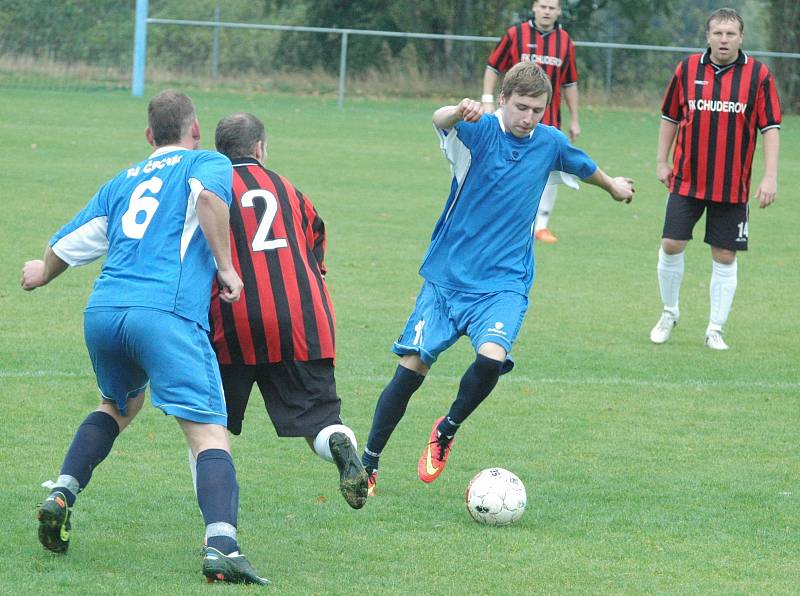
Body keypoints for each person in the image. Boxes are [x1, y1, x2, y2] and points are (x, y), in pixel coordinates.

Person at [21, 91, 269, 585]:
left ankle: (62, 492)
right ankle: (222, 545)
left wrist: (40, 274)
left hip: (105, 312)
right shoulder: (207, 161)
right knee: (206, 431)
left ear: (149, 135)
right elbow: (207, 198)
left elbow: (70, 243)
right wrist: (226, 268)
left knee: (117, 405)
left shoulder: (121, 182)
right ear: (194, 129)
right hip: (165, 312)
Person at [360, 62, 634, 495]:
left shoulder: (549, 143)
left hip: (505, 281)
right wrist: (457, 110)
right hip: (447, 279)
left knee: (490, 358)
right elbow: (437, 119)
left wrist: (613, 185)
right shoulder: (480, 131)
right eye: (521, 107)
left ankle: (446, 429)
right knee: (411, 368)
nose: (528, 118)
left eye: (538, 110)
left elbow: (585, 167)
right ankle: (368, 463)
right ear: (503, 99)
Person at [205, 112, 368, 509]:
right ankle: (340, 444)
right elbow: (316, 247)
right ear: (260, 148)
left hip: (233, 320)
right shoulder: (289, 189)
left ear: (219, 150)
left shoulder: (210, 188)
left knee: (209, 426)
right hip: (302, 320)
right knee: (322, 421)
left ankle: (219, 516)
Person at [650, 7, 781, 350]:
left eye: (730, 33)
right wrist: (662, 160)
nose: (724, 40)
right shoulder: (687, 69)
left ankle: (714, 329)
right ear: (707, 36)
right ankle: (669, 312)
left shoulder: (759, 75)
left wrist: (769, 176)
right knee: (671, 244)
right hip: (686, 179)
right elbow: (670, 117)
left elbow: (770, 128)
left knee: (724, 255)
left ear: (741, 37)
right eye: (718, 33)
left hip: (731, 184)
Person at [482, 0, 580, 243]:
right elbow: (493, 66)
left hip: (548, 121)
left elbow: (570, 83)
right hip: (512, 120)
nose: (547, 11)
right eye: (543, 6)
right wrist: (486, 99)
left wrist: (575, 119)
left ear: (558, 11)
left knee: (549, 170)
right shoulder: (515, 35)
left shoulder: (565, 41)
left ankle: (541, 226)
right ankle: (503, 217)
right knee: (507, 165)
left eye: (552, 7)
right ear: (535, 8)